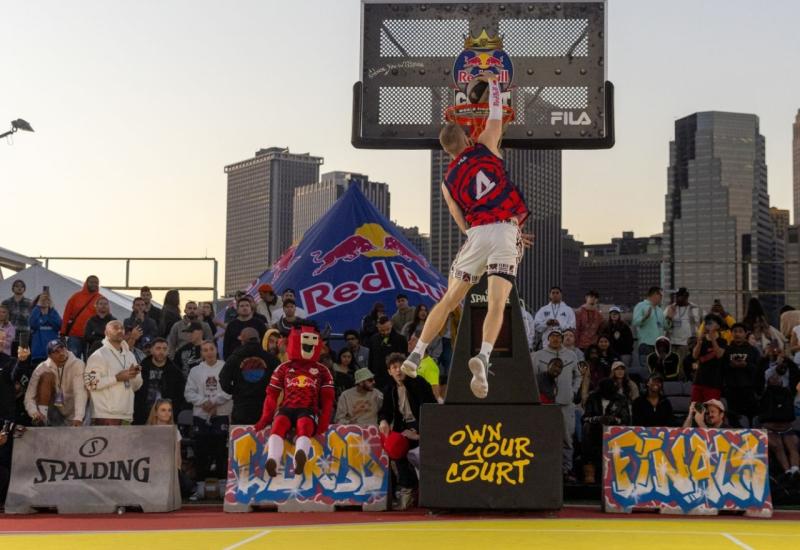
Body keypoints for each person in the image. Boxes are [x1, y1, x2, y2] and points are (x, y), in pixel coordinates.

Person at [400, 72, 533, 400]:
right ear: (466, 137)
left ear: (447, 150)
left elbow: (461, 222)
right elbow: (497, 113)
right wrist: (496, 84)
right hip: (505, 229)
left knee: (449, 300)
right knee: (497, 303)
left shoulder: (446, 182)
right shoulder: (487, 146)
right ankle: (484, 357)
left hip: (477, 234)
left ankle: (416, 354)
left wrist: (480, 239)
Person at [254, 324, 334, 477]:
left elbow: (328, 398)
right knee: (278, 425)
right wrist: (265, 418)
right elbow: (271, 394)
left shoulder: (323, 370)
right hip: (286, 407)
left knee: (304, 426)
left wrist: (324, 421)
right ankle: (273, 460)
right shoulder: (283, 368)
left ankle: (300, 458)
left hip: (309, 409)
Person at [379, 353, 436, 509]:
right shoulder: (389, 388)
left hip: (423, 428)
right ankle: (408, 486)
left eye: (401, 367)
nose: (398, 371)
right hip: (403, 428)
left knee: (423, 455)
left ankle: (429, 491)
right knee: (394, 446)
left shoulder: (419, 383)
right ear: (389, 371)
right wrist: (383, 421)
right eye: (394, 368)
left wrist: (418, 434)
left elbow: (432, 411)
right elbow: (385, 411)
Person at [532, 328, 580, 480]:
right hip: (544, 405)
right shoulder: (537, 356)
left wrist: (573, 391)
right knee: (543, 437)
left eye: (559, 337)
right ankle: (543, 470)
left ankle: (566, 470)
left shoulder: (572, 355)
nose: (556, 339)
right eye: (552, 336)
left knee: (567, 438)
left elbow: (579, 375)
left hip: (566, 403)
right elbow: (531, 378)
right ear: (548, 338)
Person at [185, 341, 233, 481]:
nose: (209, 352)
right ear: (202, 353)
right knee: (201, 452)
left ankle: (224, 485)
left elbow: (230, 390)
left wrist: (214, 402)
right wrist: (204, 402)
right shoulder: (195, 371)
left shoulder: (225, 367)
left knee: (221, 452)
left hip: (222, 414)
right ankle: (200, 485)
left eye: (211, 349)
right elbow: (189, 393)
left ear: (216, 350)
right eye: (205, 350)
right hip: (201, 415)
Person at [84, 320, 143, 425]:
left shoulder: (130, 355)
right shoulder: (98, 355)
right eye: (115, 328)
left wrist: (135, 376)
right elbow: (90, 384)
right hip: (106, 415)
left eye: (122, 328)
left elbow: (136, 386)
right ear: (106, 333)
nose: (120, 330)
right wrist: (116, 378)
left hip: (127, 414)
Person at [219, 327, 280, 425]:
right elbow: (280, 381)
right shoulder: (271, 359)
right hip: (264, 408)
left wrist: (235, 391)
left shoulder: (234, 358)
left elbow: (223, 380)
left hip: (241, 408)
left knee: (242, 439)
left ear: (242, 341)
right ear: (259, 340)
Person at [23, 340, 87, 427]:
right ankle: (43, 420)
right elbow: (29, 396)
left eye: (62, 349)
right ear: (49, 356)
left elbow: (80, 392)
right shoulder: (42, 368)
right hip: (54, 412)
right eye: (56, 351)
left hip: (76, 412)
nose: (61, 353)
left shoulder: (78, 364)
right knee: (46, 376)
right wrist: (34, 413)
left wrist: (79, 417)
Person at [582, 378, 631, 484]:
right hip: (596, 430)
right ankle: (590, 472)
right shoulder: (593, 397)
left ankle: (618, 473)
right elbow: (585, 418)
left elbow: (626, 420)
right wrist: (598, 419)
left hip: (614, 431)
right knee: (587, 427)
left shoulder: (621, 399)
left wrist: (614, 420)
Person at [146, 398, 193, 498]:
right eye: (163, 410)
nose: (167, 413)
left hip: (170, 468)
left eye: (169, 410)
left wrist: (177, 471)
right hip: (152, 469)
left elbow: (177, 455)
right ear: (155, 412)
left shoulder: (175, 432)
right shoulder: (148, 431)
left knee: (187, 486)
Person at [758, 373, 799, 487]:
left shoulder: (787, 393)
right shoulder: (765, 393)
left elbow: (794, 377)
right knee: (778, 447)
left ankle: (795, 471)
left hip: (786, 427)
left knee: (792, 446)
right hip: (770, 429)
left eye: (778, 377)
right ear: (768, 381)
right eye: (772, 377)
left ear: (782, 381)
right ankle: (788, 473)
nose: (775, 378)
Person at [133, 337, 185, 424]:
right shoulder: (141, 369)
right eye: (158, 348)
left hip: (166, 416)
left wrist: (174, 411)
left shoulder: (175, 372)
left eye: (164, 349)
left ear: (168, 351)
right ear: (151, 350)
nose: (161, 352)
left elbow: (180, 394)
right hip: (142, 415)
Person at [722, 322, 759, 428]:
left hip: (748, 389)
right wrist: (731, 365)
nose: (737, 334)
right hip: (731, 389)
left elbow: (759, 369)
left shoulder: (753, 350)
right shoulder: (726, 350)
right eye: (735, 331)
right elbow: (721, 368)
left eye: (740, 332)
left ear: (745, 333)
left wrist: (746, 365)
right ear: (731, 333)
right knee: (733, 417)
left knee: (751, 416)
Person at [61, 275, 102, 360]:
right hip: (75, 335)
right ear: (86, 283)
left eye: (96, 283)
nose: (94, 284)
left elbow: (105, 318)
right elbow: (66, 314)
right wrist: (62, 332)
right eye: (92, 282)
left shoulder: (101, 299)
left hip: (92, 337)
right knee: (73, 361)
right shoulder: (76, 297)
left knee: (92, 361)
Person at [690, 314, 728, 403]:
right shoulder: (701, 340)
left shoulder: (722, 341)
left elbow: (719, 354)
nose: (708, 324)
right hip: (698, 381)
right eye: (707, 322)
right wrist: (699, 341)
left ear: (718, 326)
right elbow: (695, 356)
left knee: (711, 410)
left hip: (713, 383)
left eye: (712, 321)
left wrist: (712, 338)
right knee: (697, 409)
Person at [368, 316, 408, 390]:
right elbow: (371, 359)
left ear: (391, 325)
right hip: (378, 378)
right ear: (377, 327)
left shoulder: (400, 339)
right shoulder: (373, 339)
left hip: (395, 376)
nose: (385, 332)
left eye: (387, 329)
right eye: (382, 330)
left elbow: (404, 358)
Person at [664, 288, 702, 362]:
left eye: (680, 296)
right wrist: (669, 317)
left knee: (684, 366)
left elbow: (703, 324)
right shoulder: (670, 308)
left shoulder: (695, 308)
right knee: (674, 366)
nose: (677, 298)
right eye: (677, 296)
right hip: (672, 343)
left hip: (687, 344)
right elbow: (664, 325)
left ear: (686, 297)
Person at [632, 286, 665, 370]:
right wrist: (645, 317)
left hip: (659, 346)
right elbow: (635, 322)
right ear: (654, 295)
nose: (662, 297)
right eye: (660, 295)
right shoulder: (641, 306)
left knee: (658, 370)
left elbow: (665, 326)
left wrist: (669, 318)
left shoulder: (659, 310)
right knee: (646, 370)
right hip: (646, 345)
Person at [28, 293, 62, 365]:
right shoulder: (35, 313)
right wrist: (38, 306)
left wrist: (51, 309)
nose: (44, 302)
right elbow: (32, 324)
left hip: (53, 353)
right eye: (42, 300)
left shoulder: (53, 313)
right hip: (38, 354)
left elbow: (59, 325)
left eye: (47, 300)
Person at [3, 280, 32, 357]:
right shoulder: (6, 302)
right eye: (17, 286)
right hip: (8, 334)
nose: (19, 288)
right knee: (8, 358)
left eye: (21, 286)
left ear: (24, 289)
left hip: (24, 334)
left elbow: (33, 318)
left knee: (23, 358)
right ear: (13, 288)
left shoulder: (30, 303)